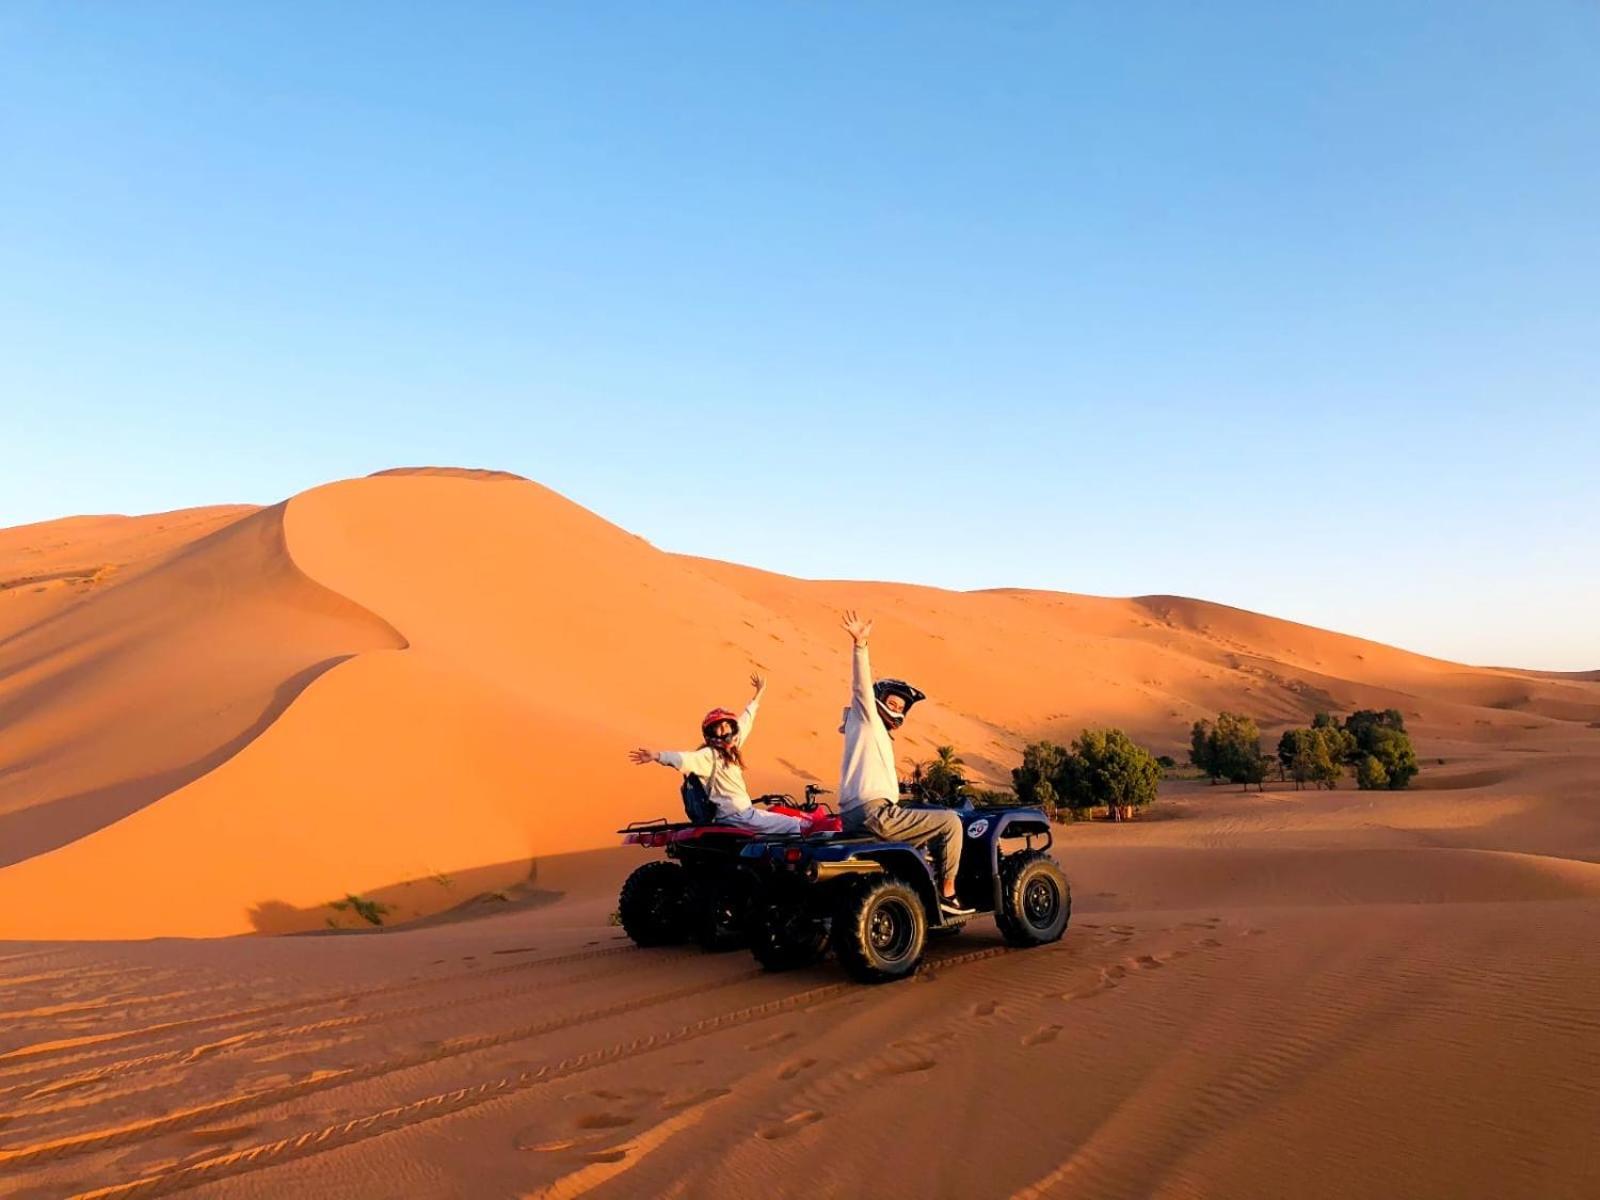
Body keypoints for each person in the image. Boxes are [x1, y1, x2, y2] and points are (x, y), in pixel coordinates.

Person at [837, 611, 973, 915]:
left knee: (925, 820)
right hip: (875, 813)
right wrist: (861, 646)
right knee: (950, 822)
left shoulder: (870, 733)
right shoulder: (866, 716)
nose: (896, 707)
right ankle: (948, 894)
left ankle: (916, 885)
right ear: (878, 699)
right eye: (893, 701)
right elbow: (861, 686)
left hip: (858, 814)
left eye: (901, 706)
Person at [629, 673, 809, 835]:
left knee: (779, 815)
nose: (725, 731)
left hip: (744, 814)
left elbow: (746, 721)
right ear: (711, 734)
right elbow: (684, 759)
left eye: (727, 726)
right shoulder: (708, 756)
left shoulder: (730, 749)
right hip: (739, 817)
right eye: (719, 728)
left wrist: (758, 694)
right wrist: (657, 756)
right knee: (795, 825)